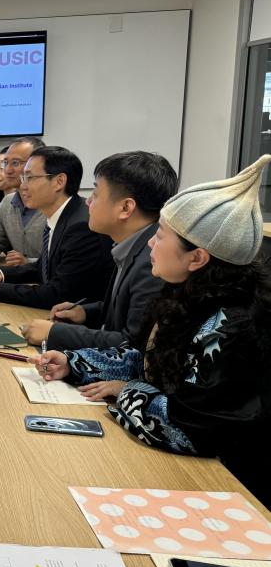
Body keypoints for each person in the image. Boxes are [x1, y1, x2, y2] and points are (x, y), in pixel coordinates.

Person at [33, 155, 271, 506]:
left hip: (227, 487)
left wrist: (127, 390)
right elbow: (149, 359)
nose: (149, 244)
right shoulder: (186, 293)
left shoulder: (229, 327)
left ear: (197, 258)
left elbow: (187, 428)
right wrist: (75, 363)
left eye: (160, 236)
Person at [20, 151, 178, 349]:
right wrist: (85, 312)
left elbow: (134, 346)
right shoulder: (132, 243)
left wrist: (55, 333)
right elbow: (122, 309)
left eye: (95, 194)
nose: (87, 202)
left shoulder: (153, 261)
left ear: (125, 208)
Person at [0, 146, 113, 309]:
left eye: (29, 178)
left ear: (59, 181)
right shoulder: (63, 215)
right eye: (23, 178)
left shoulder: (81, 226)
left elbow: (57, 294)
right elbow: (43, 268)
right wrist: (0, 274)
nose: (22, 186)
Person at [0, 136, 47, 269]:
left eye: (16, 163)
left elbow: (66, 259)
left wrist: (28, 262)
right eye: (6, 163)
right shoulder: (7, 202)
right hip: (18, 278)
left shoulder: (54, 204)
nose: (8, 170)